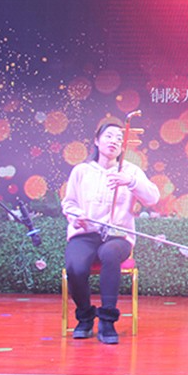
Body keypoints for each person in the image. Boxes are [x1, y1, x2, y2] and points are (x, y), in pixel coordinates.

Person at [62, 121, 159, 344]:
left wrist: (131, 182)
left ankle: (107, 320)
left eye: (118, 138)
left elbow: (152, 198)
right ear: (97, 141)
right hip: (85, 233)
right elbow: (69, 203)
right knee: (75, 267)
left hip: (118, 236)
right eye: (108, 136)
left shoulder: (130, 171)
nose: (114, 141)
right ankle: (85, 316)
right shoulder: (81, 171)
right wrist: (77, 216)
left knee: (109, 253)